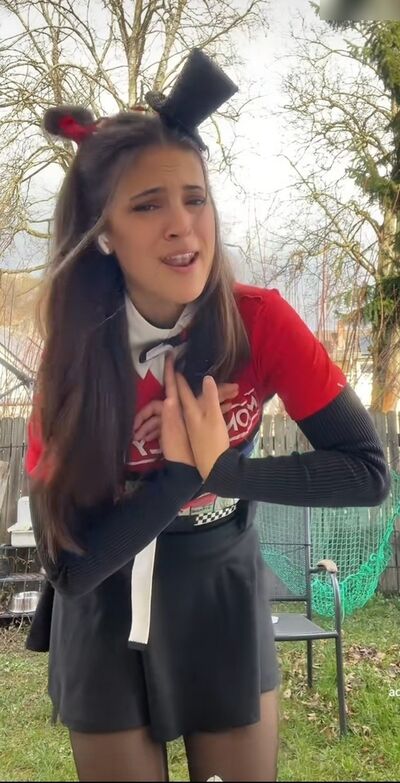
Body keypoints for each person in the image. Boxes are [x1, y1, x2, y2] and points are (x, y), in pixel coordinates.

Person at [25, 48, 390, 783]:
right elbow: (68, 568)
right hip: (106, 590)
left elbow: (367, 473)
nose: (181, 225)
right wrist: (178, 476)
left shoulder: (261, 322)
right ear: (104, 231)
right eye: (147, 204)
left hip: (221, 578)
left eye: (194, 198)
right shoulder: (74, 356)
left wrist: (225, 471)